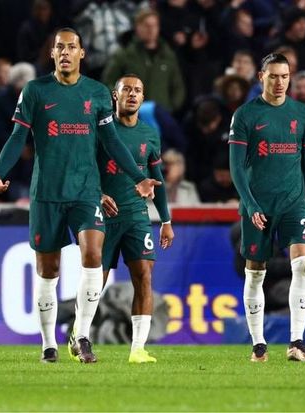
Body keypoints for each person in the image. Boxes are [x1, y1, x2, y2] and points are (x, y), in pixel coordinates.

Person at [0, 28, 159, 364]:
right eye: (59, 47)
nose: (65, 52)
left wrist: (139, 177)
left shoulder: (96, 93)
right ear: (52, 54)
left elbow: (112, 142)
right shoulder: (35, 91)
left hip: (86, 192)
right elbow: (18, 136)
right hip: (47, 193)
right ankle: (49, 343)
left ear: (82, 54)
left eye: (71, 47)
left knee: (93, 255)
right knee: (48, 270)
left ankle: (81, 336)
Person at [228, 53, 305, 363]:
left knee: (303, 264)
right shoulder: (245, 115)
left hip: (294, 202)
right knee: (255, 274)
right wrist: (250, 204)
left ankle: (297, 342)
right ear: (261, 78)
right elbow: (236, 168)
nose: (279, 82)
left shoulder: (303, 114)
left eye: (284, 76)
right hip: (258, 205)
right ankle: (259, 345)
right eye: (273, 76)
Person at [98, 74, 174, 363]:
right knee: (95, 281)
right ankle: (79, 335)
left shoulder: (149, 134)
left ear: (143, 98)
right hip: (103, 216)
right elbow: (85, 170)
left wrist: (165, 220)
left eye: (138, 90)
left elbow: (157, 179)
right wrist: (97, 195)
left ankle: (138, 348)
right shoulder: (101, 130)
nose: (132, 94)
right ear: (114, 96)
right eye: (126, 89)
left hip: (137, 215)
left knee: (144, 276)